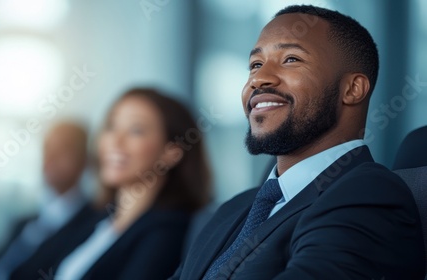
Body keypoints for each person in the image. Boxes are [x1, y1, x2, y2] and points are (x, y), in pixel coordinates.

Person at [170, 5, 425, 280]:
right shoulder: (234, 209)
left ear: (352, 89)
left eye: (291, 59)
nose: (258, 78)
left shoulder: (369, 195)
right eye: (255, 64)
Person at [54, 88, 212, 280]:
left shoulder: (167, 233)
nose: (116, 141)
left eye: (136, 130)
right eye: (112, 126)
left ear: (171, 153)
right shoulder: (98, 219)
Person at [0, 122, 104, 280]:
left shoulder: (92, 227)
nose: (50, 157)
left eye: (63, 150)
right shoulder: (24, 222)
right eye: (47, 148)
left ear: (85, 160)